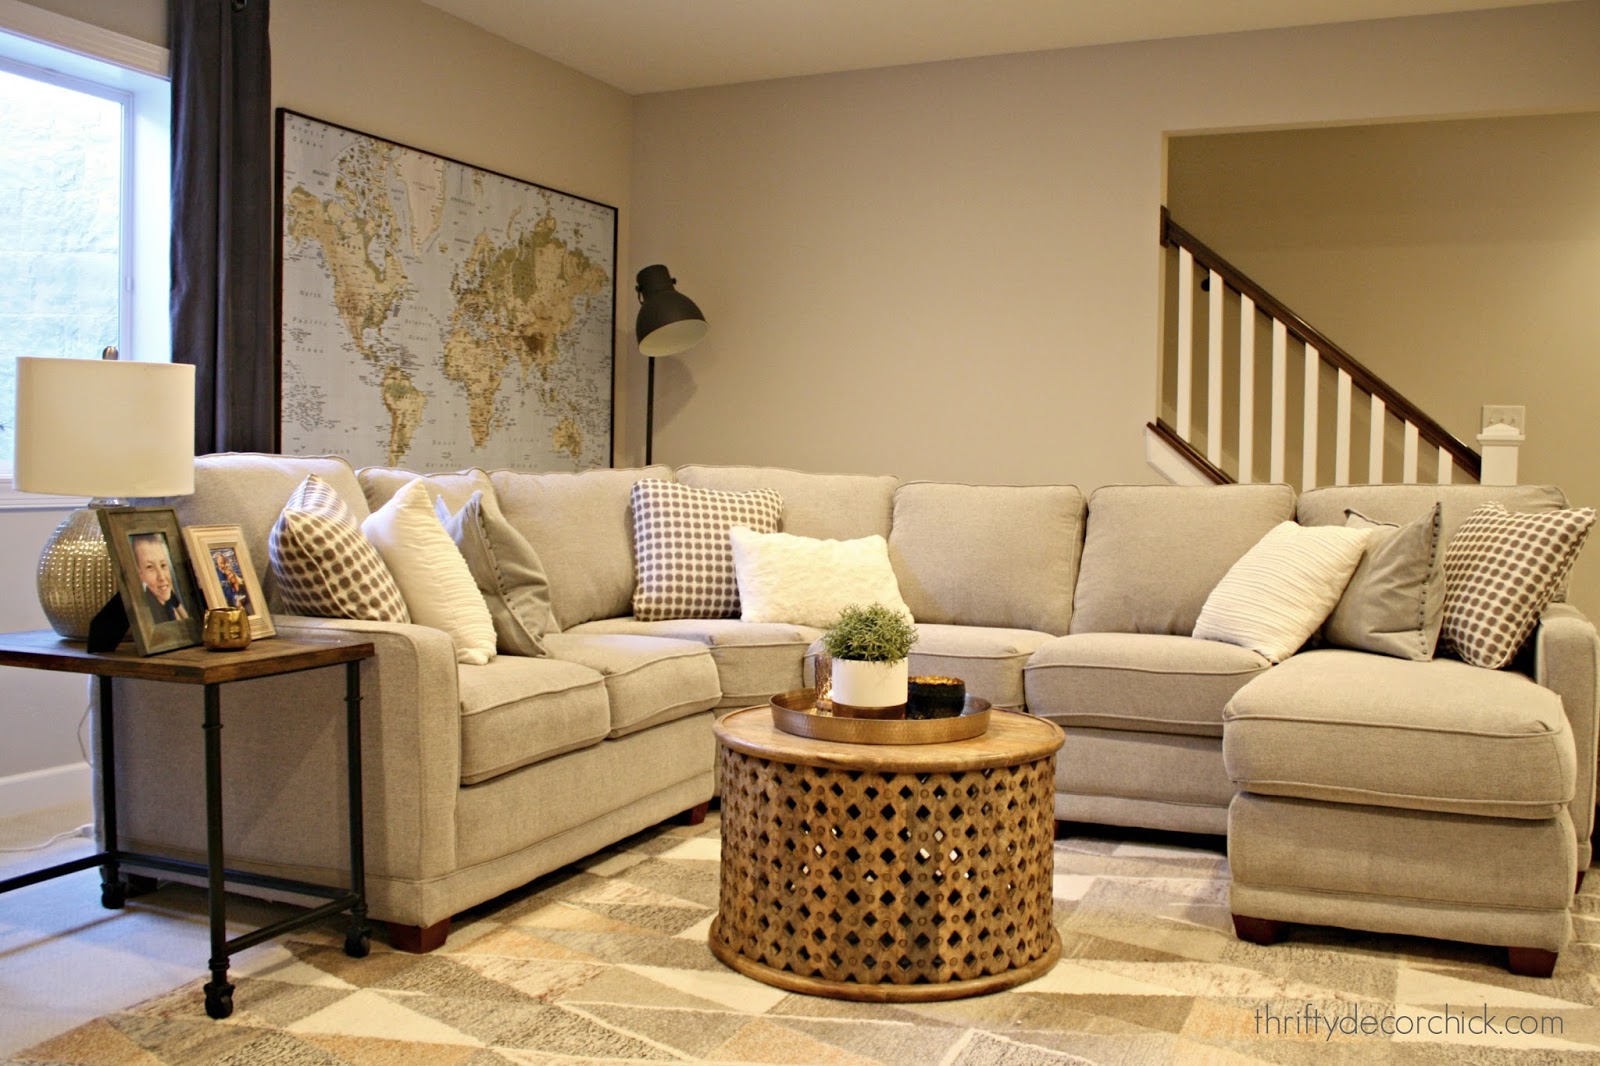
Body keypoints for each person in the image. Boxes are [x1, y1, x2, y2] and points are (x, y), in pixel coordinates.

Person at [130, 532, 188, 623]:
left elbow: (187, 618)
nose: (162, 577)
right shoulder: (149, 610)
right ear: (140, 574)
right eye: (150, 567)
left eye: (163, 565)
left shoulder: (167, 593)